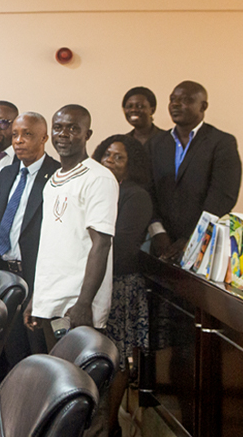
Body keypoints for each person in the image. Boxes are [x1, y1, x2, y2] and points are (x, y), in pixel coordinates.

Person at [26, 105, 118, 345]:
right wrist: (37, 296)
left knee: (79, 378)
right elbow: (50, 246)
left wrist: (84, 303)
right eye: (58, 128)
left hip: (76, 304)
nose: (63, 134)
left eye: (73, 129)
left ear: (87, 135)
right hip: (50, 300)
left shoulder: (98, 178)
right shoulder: (53, 180)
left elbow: (102, 245)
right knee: (57, 376)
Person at [94, 134, 153, 437]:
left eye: (119, 157)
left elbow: (125, 246)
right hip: (92, 283)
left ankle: (110, 422)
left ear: (132, 166)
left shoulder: (135, 195)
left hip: (120, 285)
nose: (111, 161)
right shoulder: (96, 188)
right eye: (107, 155)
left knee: (117, 358)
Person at [146, 81, 241, 259]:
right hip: (161, 244)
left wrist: (192, 237)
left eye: (185, 100)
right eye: (172, 99)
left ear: (203, 106)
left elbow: (222, 196)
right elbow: (148, 189)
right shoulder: (157, 142)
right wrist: (158, 232)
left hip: (202, 244)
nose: (175, 104)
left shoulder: (222, 143)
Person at [0, 112, 60, 357]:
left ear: (44, 137)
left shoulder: (56, 175)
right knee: (10, 350)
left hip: (36, 275)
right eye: (15, 135)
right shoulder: (7, 174)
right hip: (7, 276)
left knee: (38, 350)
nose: (18, 141)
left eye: (27, 135)